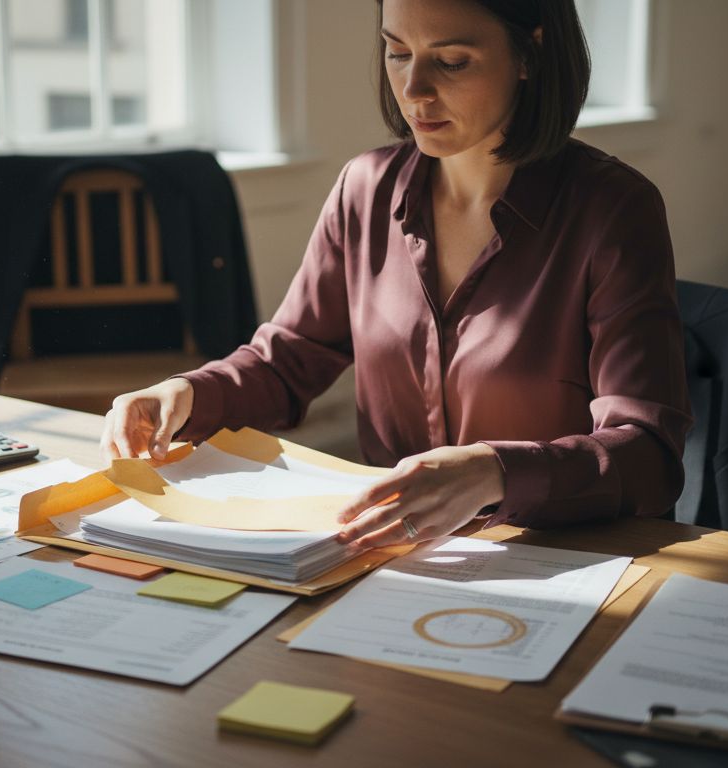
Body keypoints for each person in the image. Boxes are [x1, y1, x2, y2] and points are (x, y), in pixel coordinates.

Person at [100, 0, 691, 552]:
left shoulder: (614, 210)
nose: (414, 91)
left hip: (558, 556)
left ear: (530, 55)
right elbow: (289, 360)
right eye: (397, 52)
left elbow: (649, 456)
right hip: (391, 553)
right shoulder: (366, 189)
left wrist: (494, 473)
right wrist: (186, 393)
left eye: (452, 62)